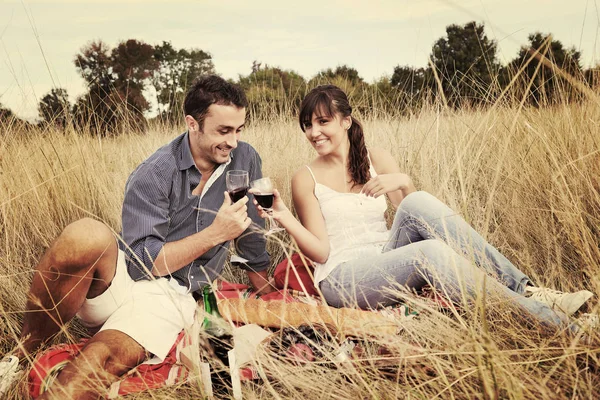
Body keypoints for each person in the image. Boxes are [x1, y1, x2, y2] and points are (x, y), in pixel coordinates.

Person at [0, 75, 274, 399]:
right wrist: (214, 234)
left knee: (88, 370)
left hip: (171, 295)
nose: (233, 141)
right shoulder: (157, 169)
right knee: (83, 234)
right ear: (192, 124)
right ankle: (20, 354)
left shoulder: (244, 159)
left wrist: (267, 290)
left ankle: (101, 346)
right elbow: (145, 262)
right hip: (126, 278)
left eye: (239, 129)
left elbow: (251, 230)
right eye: (224, 131)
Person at [251, 84, 593, 330]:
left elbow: (410, 216)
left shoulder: (377, 159)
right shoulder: (305, 178)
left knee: (416, 200)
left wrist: (402, 181)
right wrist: (282, 215)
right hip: (345, 277)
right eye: (307, 125)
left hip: (386, 254)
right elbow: (321, 253)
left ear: (346, 121)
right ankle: (555, 322)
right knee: (429, 253)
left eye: (322, 121)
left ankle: (526, 289)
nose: (313, 132)